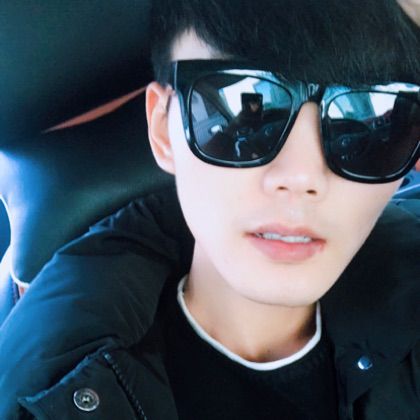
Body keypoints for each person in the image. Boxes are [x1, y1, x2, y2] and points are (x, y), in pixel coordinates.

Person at [0, 0, 419, 419]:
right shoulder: (41, 397)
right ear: (164, 130)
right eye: (248, 112)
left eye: (370, 121)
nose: (301, 177)